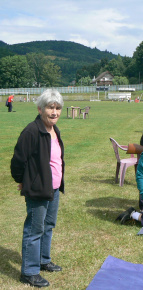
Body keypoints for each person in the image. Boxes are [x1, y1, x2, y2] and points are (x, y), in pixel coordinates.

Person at [11, 89, 65, 288]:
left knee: (48, 225)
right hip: (38, 188)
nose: (54, 112)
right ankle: (29, 272)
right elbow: (18, 160)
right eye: (50, 107)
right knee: (34, 229)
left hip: (54, 188)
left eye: (58, 108)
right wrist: (22, 180)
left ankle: (43, 259)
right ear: (40, 109)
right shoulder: (32, 131)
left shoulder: (54, 130)